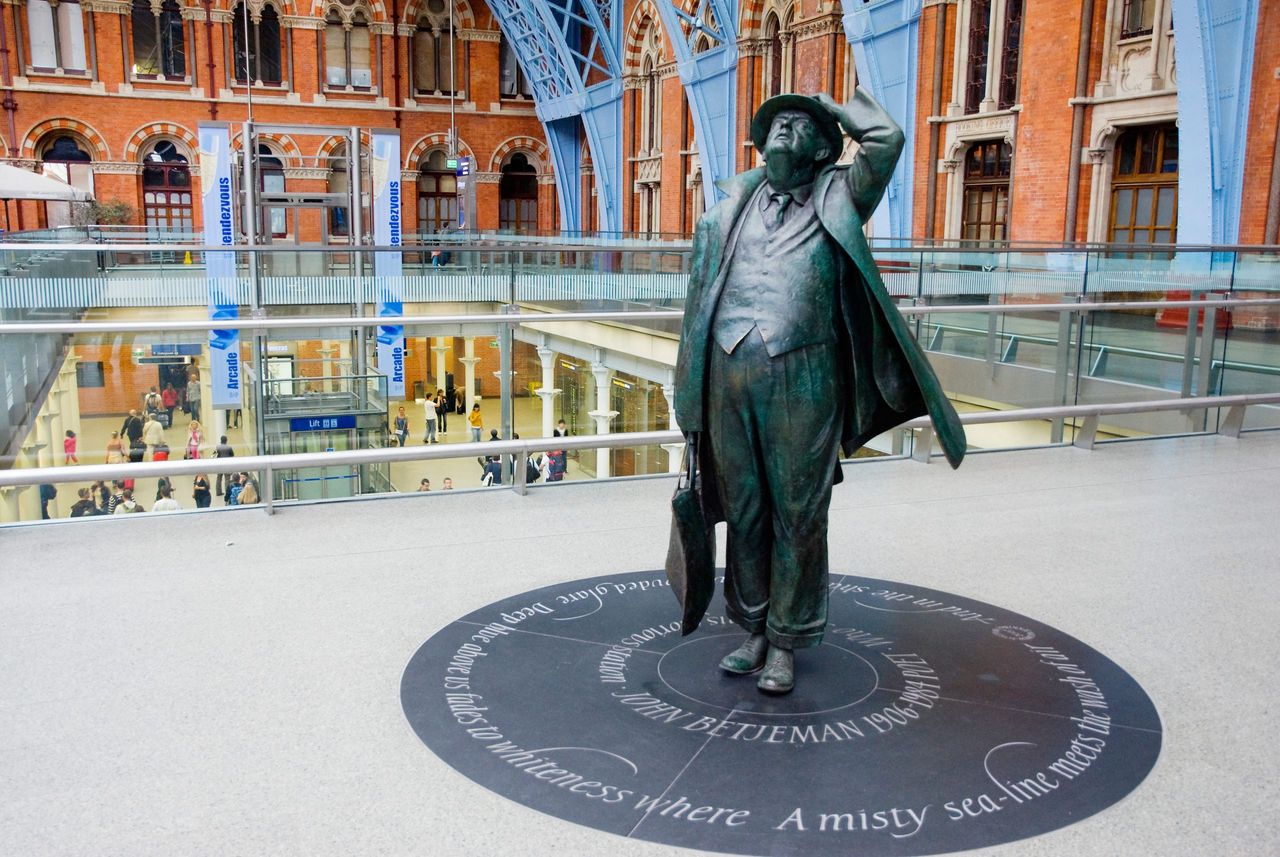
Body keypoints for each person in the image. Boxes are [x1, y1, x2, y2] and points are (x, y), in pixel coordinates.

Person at [672, 88, 966, 695]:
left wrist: (830, 105)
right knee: (746, 512)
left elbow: (886, 140)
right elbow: (697, 304)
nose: (785, 129)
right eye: (778, 122)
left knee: (799, 514)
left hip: (805, 378)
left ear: (822, 150)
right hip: (728, 378)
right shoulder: (728, 207)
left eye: (800, 127)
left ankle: (788, 638)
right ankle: (751, 627)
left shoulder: (841, 195)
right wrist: (689, 397)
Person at [213, 435, 235, 502]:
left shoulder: (217, 447)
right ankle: (227, 491)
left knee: (219, 478)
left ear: (221, 440)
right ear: (226, 440)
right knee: (227, 479)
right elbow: (232, 455)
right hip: (227, 464)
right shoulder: (229, 447)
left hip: (219, 464)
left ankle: (218, 492)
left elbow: (214, 455)